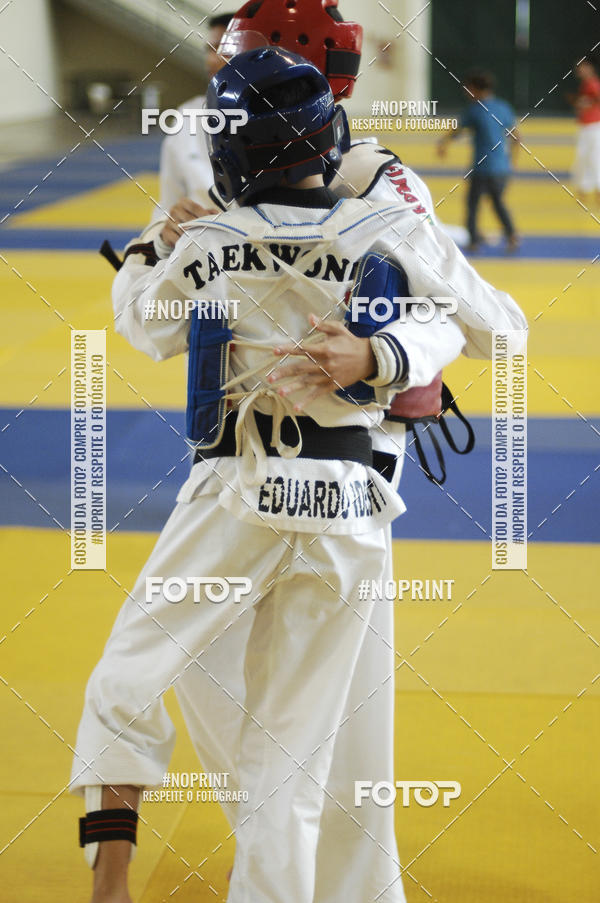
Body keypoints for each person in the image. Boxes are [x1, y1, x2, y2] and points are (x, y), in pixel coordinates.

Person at [72, 46, 525, 903]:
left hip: (237, 497)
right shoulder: (388, 220)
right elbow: (501, 331)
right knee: (286, 769)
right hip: (349, 511)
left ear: (230, 153)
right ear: (330, 134)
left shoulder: (208, 238)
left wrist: (146, 243)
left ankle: (112, 876)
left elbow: (143, 323)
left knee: (124, 678)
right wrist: (386, 350)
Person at [152, 11, 235, 234]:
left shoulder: (280, 118)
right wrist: (163, 235)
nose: (211, 59)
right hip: (197, 249)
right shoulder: (186, 115)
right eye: (208, 49)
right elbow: (165, 208)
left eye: (221, 48)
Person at [437, 69, 521, 253]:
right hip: (501, 167)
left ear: (475, 89)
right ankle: (512, 235)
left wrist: (443, 143)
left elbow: (458, 130)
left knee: (472, 203)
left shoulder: (475, 110)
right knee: (498, 202)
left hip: (483, 167)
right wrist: (512, 161)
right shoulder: (503, 106)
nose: (466, 92)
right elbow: (516, 137)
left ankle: (473, 239)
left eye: (468, 88)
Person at [569, 58, 600, 205]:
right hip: (587, 126)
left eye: (582, 67)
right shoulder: (585, 84)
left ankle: (594, 191)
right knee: (584, 158)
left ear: (589, 67)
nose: (579, 70)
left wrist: (584, 103)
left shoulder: (593, 83)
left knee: (593, 159)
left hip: (593, 127)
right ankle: (585, 190)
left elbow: (595, 100)